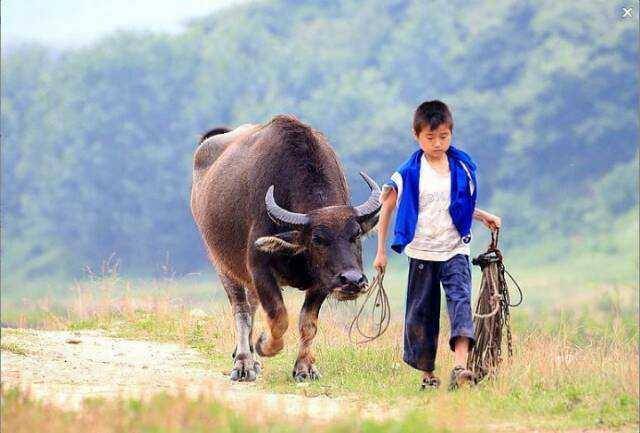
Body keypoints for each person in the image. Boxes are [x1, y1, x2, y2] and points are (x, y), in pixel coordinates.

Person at [373, 100, 501, 390]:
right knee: (422, 313)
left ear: (451, 134)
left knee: (460, 303)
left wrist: (482, 216)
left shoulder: (461, 167)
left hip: (455, 248)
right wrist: (381, 250)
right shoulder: (407, 172)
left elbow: (458, 204)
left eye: (443, 136)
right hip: (421, 251)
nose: (437, 143)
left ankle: (459, 368)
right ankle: (427, 374)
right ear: (416, 136)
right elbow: (387, 207)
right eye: (430, 138)